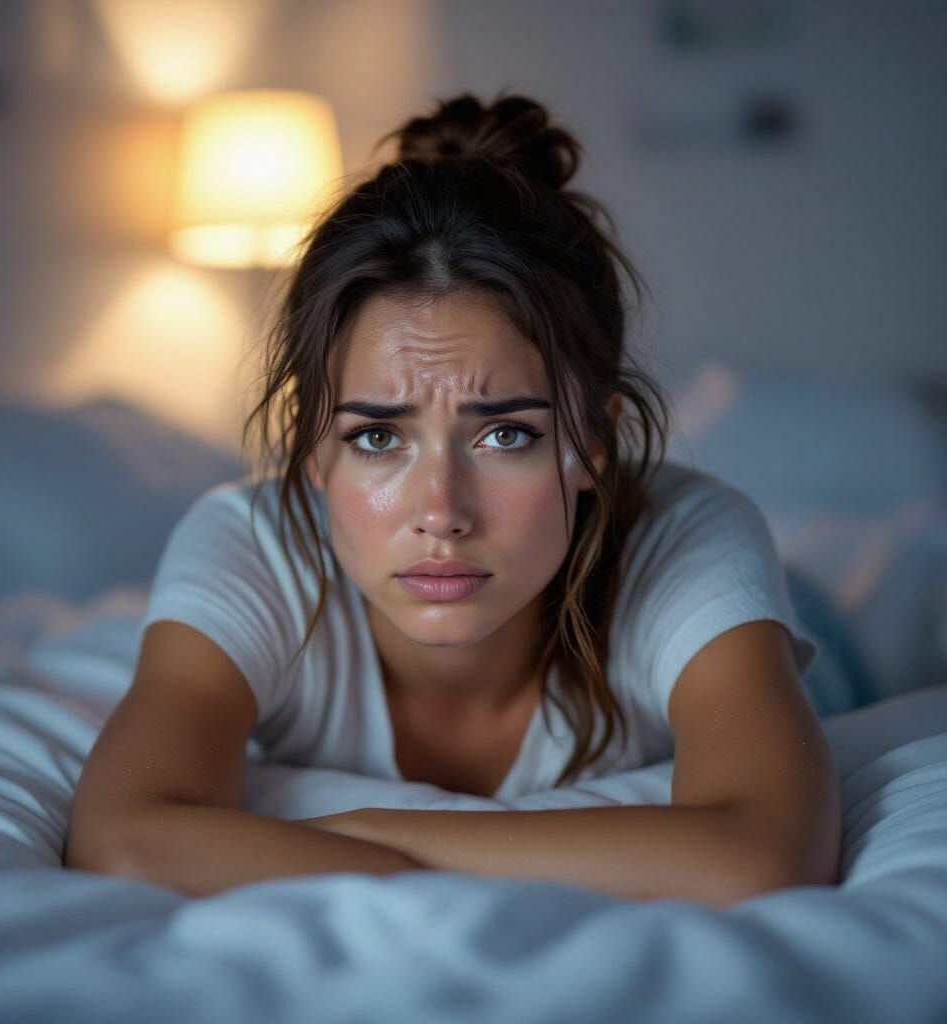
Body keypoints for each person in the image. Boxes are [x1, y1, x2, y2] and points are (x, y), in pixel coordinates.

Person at [65, 91, 841, 908]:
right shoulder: (254, 540)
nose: (440, 510)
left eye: (505, 436)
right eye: (377, 437)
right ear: (312, 451)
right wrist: (416, 870)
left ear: (594, 443)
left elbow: (765, 856)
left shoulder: (686, 538)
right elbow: (125, 839)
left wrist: (371, 837)